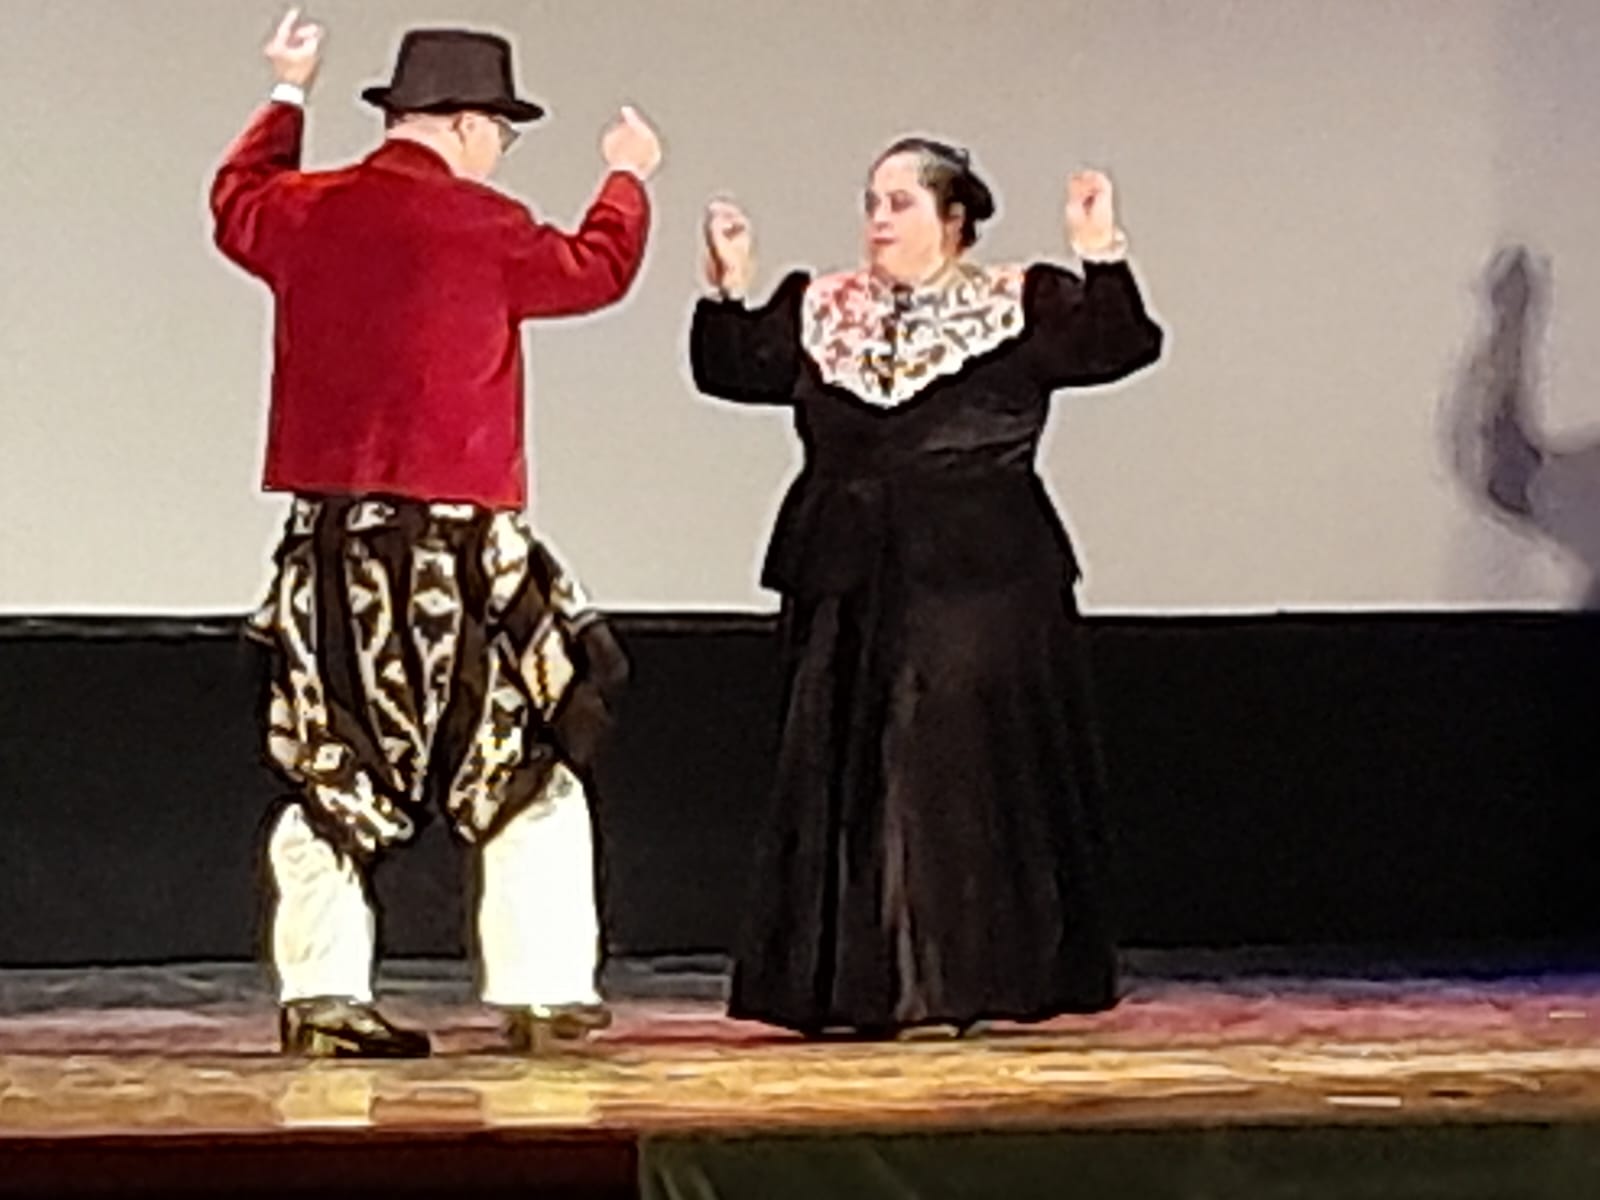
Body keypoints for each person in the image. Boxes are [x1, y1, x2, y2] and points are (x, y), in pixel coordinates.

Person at [210, 9, 661, 1057]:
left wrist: (287, 91)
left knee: (330, 765)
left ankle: (323, 992)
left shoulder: (305, 211)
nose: (498, 148)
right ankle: (544, 988)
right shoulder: (486, 225)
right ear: (463, 124)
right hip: (455, 548)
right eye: (498, 130)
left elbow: (234, 200)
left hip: (331, 545)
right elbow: (594, 268)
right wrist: (626, 178)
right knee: (524, 754)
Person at [689, 137, 1164, 1038]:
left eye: (900, 202)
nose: (878, 219)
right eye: (871, 201)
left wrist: (1099, 252)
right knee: (854, 767)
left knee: (944, 768)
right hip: (848, 572)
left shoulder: (1017, 302)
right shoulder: (824, 305)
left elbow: (1120, 345)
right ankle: (855, 983)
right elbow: (734, 371)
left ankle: (958, 978)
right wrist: (730, 286)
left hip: (977, 573)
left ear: (954, 219)